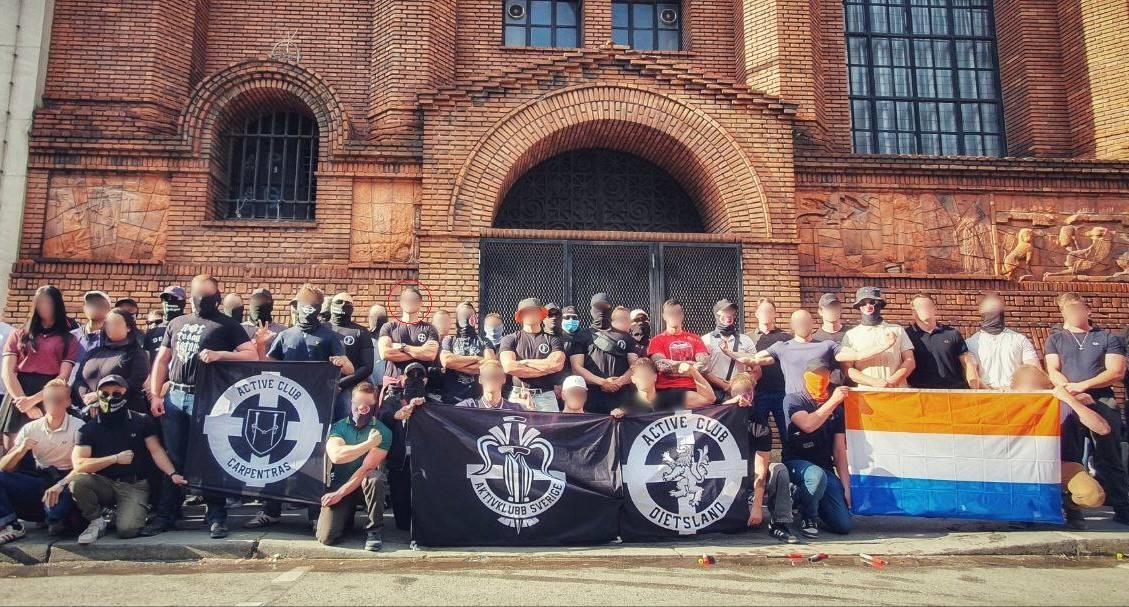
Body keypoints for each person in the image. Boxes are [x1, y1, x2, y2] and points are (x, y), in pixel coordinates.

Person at [146, 274, 257, 539]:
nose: (200, 301)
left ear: (217, 297)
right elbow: (162, 360)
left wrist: (220, 355)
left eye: (206, 296)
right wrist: (155, 395)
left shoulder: (227, 325)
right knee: (173, 458)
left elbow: (251, 354)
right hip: (175, 395)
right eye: (197, 295)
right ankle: (166, 514)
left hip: (207, 397)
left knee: (209, 456)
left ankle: (216, 516)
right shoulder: (176, 323)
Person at [249, 285, 353, 529]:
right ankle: (271, 511)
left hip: (318, 409)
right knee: (276, 455)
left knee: (314, 460)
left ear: (318, 308)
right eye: (302, 304)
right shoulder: (286, 335)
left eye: (311, 305)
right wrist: (260, 346)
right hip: (286, 407)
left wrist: (341, 362)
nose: (306, 309)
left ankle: (314, 515)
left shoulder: (329, 336)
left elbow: (349, 368)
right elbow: (268, 367)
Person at [1044, 292, 1129, 525]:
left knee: (1109, 455)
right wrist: (1071, 391)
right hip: (1069, 402)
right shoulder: (1055, 339)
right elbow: (1052, 370)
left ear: (1087, 311)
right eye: (1068, 310)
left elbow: (1116, 371)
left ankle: (1122, 507)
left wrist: (1084, 386)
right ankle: (1074, 509)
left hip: (1102, 401)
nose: (1073, 314)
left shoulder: (1108, 338)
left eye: (1077, 309)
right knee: (1069, 454)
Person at [70, 374, 186, 545]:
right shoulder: (88, 428)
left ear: (126, 394)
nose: (110, 398)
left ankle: (120, 513)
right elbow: (79, 465)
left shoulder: (141, 420)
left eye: (116, 393)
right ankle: (96, 520)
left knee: (128, 530)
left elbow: (156, 451)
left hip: (134, 485)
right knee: (78, 482)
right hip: (104, 482)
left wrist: (173, 473)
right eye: (105, 394)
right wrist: (114, 459)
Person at [1010, 365, 1109, 530]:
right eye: (1025, 393)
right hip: (1023, 468)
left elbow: (1103, 429)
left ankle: (1069, 505)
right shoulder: (1007, 408)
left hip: (1062, 465)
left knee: (1093, 496)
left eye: (1037, 391)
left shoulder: (1064, 405)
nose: (1031, 398)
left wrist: (1070, 400)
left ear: (1047, 388)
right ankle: (1023, 508)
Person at [0, 379, 83, 543]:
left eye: (58, 400)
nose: (53, 404)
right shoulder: (31, 428)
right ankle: (11, 525)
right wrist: (20, 450)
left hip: (66, 480)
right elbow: (4, 467)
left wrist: (61, 485)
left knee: (56, 518)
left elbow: (83, 466)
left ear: (67, 402)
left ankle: (53, 517)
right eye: (49, 400)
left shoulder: (78, 426)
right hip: (41, 478)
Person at [1, 285, 79, 451]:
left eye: (49, 302)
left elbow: (63, 377)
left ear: (57, 305)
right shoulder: (19, 334)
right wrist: (24, 402)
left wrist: (33, 401)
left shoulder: (69, 339)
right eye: (40, 302)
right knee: (13, 449)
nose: (44, 306)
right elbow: (7, 372)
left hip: (50, 393)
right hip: (18, 391)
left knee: (45, 448)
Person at [316, 382, 391, 551]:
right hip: (340, 484)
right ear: (351, 403)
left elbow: (365, 469)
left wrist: (339, 494)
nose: (361, 408)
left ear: (375, 405)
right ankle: (346, 517)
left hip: (362, 487)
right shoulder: (338, 427)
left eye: (367, 404)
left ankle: (374, 531)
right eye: (357, 403)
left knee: (375, 479)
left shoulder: (383, 432)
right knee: (326, 537)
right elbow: (337, 456)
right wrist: (368, 444)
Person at [721, 372, 795, 543]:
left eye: (747, 391)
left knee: (779, 470)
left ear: (753, 393)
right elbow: (708, 419)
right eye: (738, 392)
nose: (743, 396)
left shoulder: (760, 425)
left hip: (751, 480)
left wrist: (757, 507)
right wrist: (729, 406)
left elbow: (761, 470)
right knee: (733, 528)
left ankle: (779, 524)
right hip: (728, 482)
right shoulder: (721, 417)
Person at [783, 361, 852, 537]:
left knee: (843, 525)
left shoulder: (838, 411)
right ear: (806, 376)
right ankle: (807, 515)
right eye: (815, 374)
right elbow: (807, 425)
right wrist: (833, 401)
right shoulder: (794, 399)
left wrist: (846, 487)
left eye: (824, 373)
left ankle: (813, 501)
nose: (820, 378)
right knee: (815, 475)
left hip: (825, 468)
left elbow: (839, 451)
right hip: (796, 463)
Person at [379, 362, 442, 530]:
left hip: (425, 462)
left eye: (419, 375)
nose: (415, 378)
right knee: (403, 522)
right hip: (400, 461)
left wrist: (424, 409)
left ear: (425, 380)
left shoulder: (433, 402)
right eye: (410, 375)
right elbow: (381, 417)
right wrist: (395, 415)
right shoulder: (392, 401)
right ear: (402, 379)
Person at [72, 309, 150, 416]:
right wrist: (91, 400)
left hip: (124, 413)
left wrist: (100, 396)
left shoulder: (136, 353)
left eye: (116, 323)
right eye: (108, 324)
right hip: (91, 412)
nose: (111, 327)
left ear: (128, 327)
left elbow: (135, 382)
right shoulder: (93, 352)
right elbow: (79, 379)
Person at [747, 310, 841, 396]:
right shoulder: (782, 347)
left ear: (812, 323)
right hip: (794, 403)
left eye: (805, 321)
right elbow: (756, 358)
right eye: (799, 322)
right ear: (792, 325)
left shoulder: (826, 345)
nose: (802, 324)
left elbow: (846, 355)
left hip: (821, 402)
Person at [569, 297, 638, 414]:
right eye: (598, 307)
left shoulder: (626, 337)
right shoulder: (581, 336)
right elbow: (576, 368)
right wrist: (602, 382)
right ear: (591, 310)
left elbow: (635, 367)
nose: (601, 311)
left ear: (611, 310)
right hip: (591, 399)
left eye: (605, 307)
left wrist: (619, 382)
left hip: (621, 399)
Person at [838, 286, 915, 388]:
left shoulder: (897, 329)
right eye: (863, 303)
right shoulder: (851, 335)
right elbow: (847, 368)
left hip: (897, 391)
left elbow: (910, 361)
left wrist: (892, 382)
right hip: (868, 393)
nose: (868, 306)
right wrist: (873, 382)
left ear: (880, 304)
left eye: (872, 302)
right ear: (859, 307)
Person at [499, 298, 566, 412]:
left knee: (551, 424)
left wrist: (525, 362)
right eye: (526, 311)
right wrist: (546, 369)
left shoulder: (553, 339)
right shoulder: (510, 339)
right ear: (520, 316)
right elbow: (509, 367)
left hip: (546, 396)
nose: (530, 314)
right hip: (519, 395)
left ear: (541, 314)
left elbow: (557, 365)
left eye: (534, 311)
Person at [905, 294, 982, 389]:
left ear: (934, 308)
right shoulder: (906, 336)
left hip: (953, 392)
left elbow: (967, 363)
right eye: (920, 307)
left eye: (927, 305)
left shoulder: (951, 333)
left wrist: (974, 391)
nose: (925, 309)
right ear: (913, 312)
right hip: (922, 394)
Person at [966, 293, 1040, 390]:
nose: (994, 313)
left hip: (1015, 394)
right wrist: (991, 392)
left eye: (996, 309)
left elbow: (1034, 370)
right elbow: (972, 376)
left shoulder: (1020, 340)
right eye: (990, 310)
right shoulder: (970, 343)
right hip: (985, 395)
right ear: (981, 311)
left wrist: (1014, 390)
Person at [647, 299, 710, 411]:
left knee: (712, 400)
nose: (674, 316)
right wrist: (690, 367)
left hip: (694, 388)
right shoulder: (657, 340)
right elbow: (662, 367)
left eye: (677, 312)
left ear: (682, 315)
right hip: (667, 389)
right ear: (664, 316)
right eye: (670, 313)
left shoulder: (695, 339)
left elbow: (703, 366)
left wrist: (674, 364)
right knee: (708, 400)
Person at [746, 298, 792, 444]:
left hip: (782, 392)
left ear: (775, 314)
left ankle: (789, 458)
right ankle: (761, 460)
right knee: (759, 434)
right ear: (756, 314)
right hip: (758, 393)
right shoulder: (748, 338)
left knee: (787, 433)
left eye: (769, 311)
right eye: (763, 311)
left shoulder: (786, 338)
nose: (766, 313)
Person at [611, 356, 714, 418]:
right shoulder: (628, 407)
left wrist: (693, 372)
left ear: (655, 377)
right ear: (633, 379)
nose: (644, 379)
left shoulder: (671, 397)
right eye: (640, 376)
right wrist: (616, 415)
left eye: (647, 375)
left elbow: (708, 399)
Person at [329, 292, 375, 420]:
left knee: (346, 421)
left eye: (348, 303)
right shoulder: (322, 328)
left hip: (348, 388)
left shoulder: (361, 332)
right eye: (339, 302)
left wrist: (340, 384)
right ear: (331, 305)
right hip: (322, 387)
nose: (343, 305)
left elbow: (367, 367)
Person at [441, 301, 496, 404]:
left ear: (474, 318)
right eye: (462, 314)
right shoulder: (449, 340)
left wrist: (456, 365)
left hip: (478, 400)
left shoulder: (484, 341)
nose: (465, 317)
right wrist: (476, 359)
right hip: (452, 400)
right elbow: (447, 361)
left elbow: (490, 366)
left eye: (469, 314)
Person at [701, 299, 756, 401]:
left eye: (731, 311)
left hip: (740, 394)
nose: (729, 314)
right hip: (715, 394)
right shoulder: (706, 340)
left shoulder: (745, 340)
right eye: (725, 311)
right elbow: (703, 371)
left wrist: (746, 385)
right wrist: (726, 386)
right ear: (716, 314)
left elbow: (757, 368)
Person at [454, 360, 524, 410]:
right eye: (488, 376)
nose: (492, 379)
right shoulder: (467, 407)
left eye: (496, 376)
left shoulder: (515, 409)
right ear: (480, 379)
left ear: (504, 379)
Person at [71, 290, 112, 369]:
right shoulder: (72, 336)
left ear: (108, 310)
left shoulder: (111, 338)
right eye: (90, 304)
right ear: (84, 308)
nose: (94, 307)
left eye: (99, 304)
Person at [144, 286, 184, 363]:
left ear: (183, 302)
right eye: (165, 298)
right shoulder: (152, 331)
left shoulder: (190, 327)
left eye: (173, 298)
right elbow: (146, 360)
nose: (169, 301)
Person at [428, 310, 452, 401]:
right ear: (433, 324)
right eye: (439, 321)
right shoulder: (426, 344)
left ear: (450, 324)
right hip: (429, 392)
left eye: (445, 321)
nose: (442, 324)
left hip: (450, 393)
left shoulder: (456, 343)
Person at [366, 304, 389, 384]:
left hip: (388, 385)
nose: (377, 319)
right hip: (367, 386)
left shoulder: (393, 339)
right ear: (369, 318)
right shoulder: (362, 338)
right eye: (374, 315)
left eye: (381, 316)